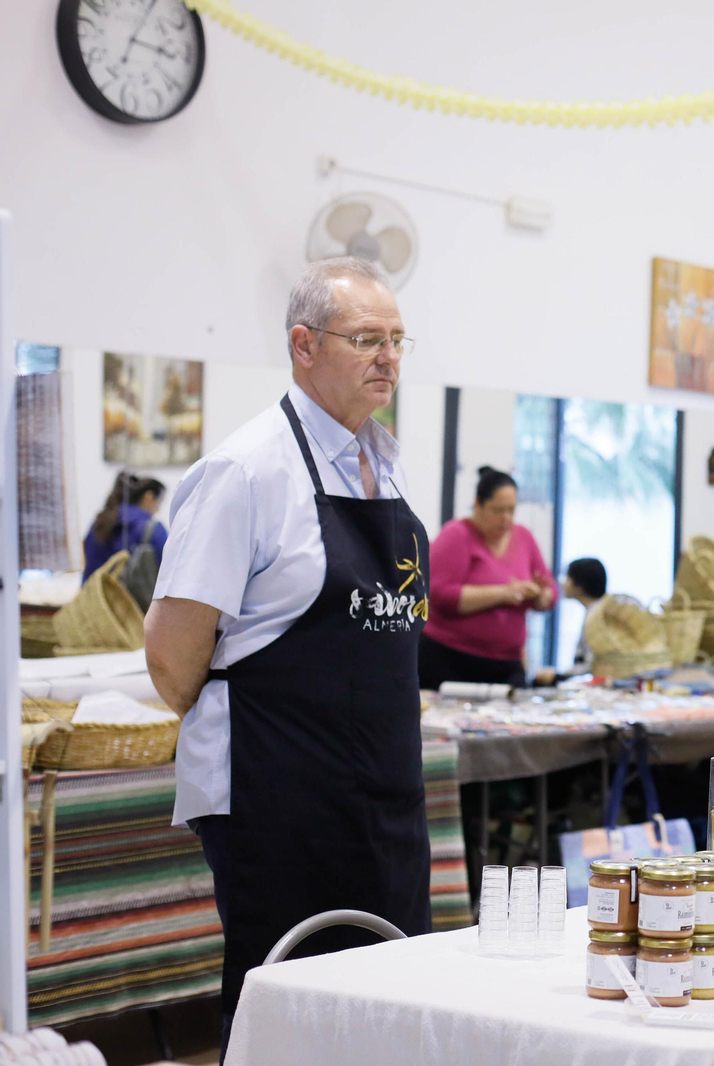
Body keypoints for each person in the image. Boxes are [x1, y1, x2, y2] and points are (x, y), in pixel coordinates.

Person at [143, 257, 430, 1059]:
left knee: (395, 996)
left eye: (399, 341)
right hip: (278, 796)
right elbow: (171, 659)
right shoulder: (246, 471)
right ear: (303, 345)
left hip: (385, 790)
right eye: (367, 339)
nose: (389, 359)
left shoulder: (388, 461)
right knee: (294, 1007)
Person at [419, 466, 556, 689]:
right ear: (478, 504)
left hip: (506, 663)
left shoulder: (524, 537)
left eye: (511, 510)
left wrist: (540, 595)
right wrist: (502, 594)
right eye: (497, 510)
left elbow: (549, 591)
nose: (506, 518)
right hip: (451, 659)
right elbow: (439, 594)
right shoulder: (456, 535)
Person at [533, 557, 606, 685]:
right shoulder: (598, 611)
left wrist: (559, 676)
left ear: (580, 586)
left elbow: (593, 665)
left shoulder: (597, 618)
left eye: (567, 578)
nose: (563, 583)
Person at [82, 472, 167, 580]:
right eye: (159, 503)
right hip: (129, 596)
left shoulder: (100, 522)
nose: (158, 510)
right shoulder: (153, 529)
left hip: (94, 593)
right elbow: (168, 571)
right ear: (148, 497)